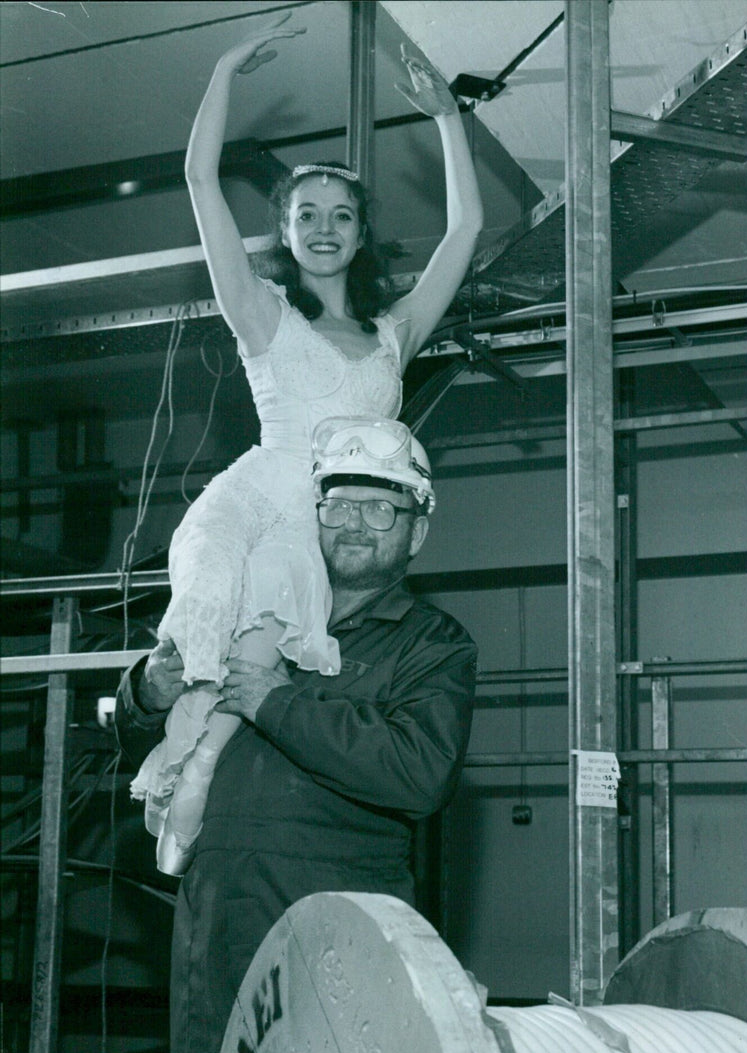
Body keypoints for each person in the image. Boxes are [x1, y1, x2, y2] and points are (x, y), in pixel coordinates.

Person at [128, 11, 483, 877]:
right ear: (284, 232)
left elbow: (465, 230)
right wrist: (223, 68)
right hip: (259, 505)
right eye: (306, 215)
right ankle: (174, 788)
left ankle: (186, 787)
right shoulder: (264, 318)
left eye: (342, 215)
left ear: (361, 233)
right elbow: (199, 179)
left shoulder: (394, 334)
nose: (324, 228)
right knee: (205, 649)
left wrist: (445, 118)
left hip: (320, 532)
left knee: (253, 684)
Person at [115, 417, 478, 1053]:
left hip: (333, 943)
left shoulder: (432, 645)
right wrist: (144, 691)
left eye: (382, 508)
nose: (356, 523)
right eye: (341, 503)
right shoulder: (248, 606)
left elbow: (420, 770)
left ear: (416, 532)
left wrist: (276, 700)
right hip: (212, 932)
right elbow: (143, 749)